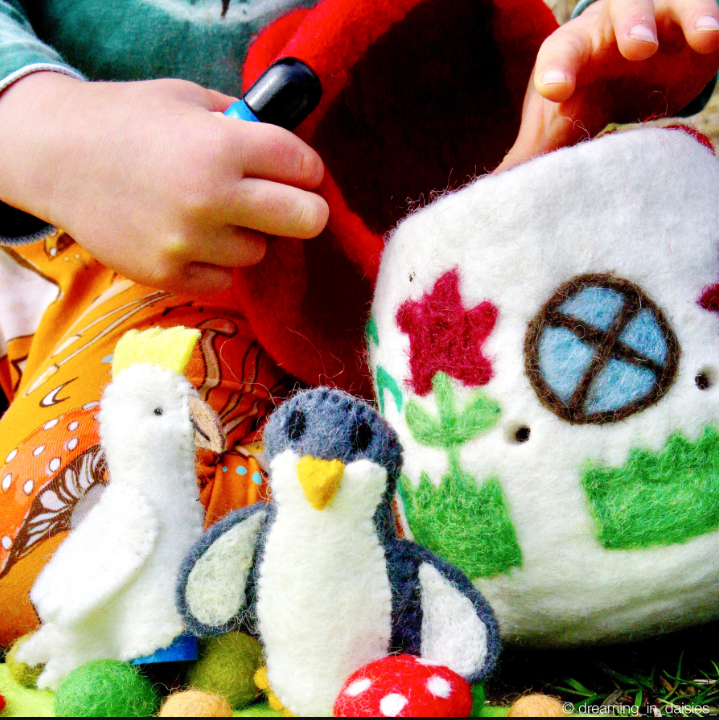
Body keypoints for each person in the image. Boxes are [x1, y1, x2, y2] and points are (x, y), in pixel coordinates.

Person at [0, 0, 717, 646]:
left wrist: (627, 28)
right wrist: (51, 135)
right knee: (68, 539)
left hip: (452, 238)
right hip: (107, 234)